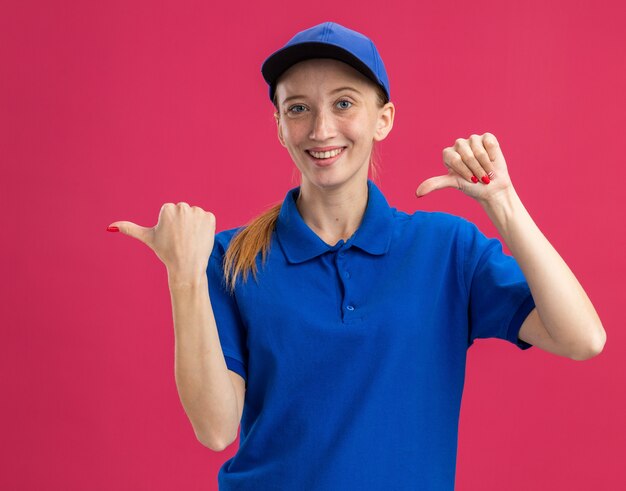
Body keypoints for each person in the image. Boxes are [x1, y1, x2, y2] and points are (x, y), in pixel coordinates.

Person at [107, 21, 606, 491]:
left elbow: (582, 338)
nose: (322, 129)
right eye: (298, 108)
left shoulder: (445, 249)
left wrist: (503, 203)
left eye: (344, 103)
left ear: (383, 119)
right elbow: (215, 429)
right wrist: (185, 277)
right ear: (279, 125)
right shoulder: (231, 257)